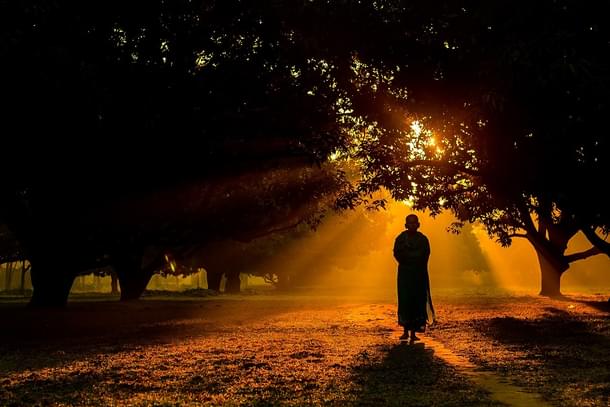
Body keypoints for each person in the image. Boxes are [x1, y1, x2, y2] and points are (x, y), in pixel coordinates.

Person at [393, 214, 435, 342]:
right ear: (406, 225)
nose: (412, 225)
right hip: (405, 275)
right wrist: (411, 258)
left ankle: (413, 333)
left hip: (418, 274)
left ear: (418, 224)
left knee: (417, 302)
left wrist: (412, 258)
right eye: (409, 223)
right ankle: (405, 331)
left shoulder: (423, 240)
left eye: (414, 223)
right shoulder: (400, 239)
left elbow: (425, 254)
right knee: (405, 301)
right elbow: (397, 254)